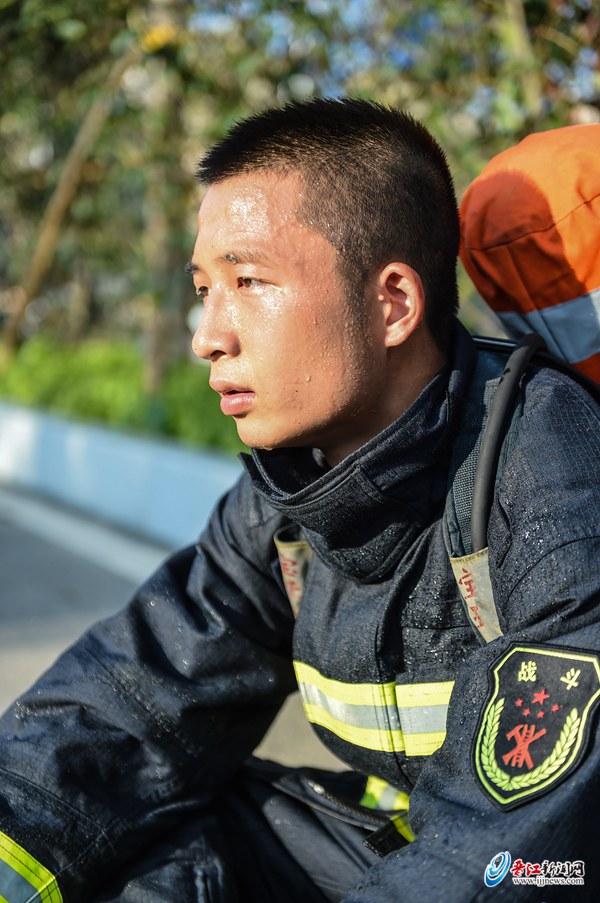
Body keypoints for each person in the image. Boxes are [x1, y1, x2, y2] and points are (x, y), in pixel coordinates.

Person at [0, 98, 599, 903]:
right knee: (148, 839)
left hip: (540, 872)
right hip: (409, 846)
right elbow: (132, 703)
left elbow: (518, 857)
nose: (207, 335)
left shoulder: (552, 474)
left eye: (248, 281)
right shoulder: (290, 493)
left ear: (393, 303)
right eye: (204, 288)